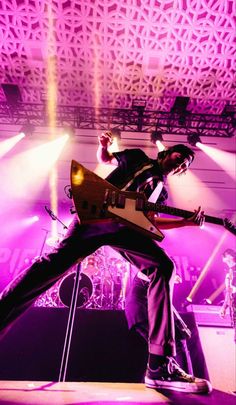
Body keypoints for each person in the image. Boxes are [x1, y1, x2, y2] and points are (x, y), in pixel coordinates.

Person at [0, 131, 212, 393]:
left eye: (186, 164)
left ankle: (159, 365)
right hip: (95, 216)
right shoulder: (137, 158)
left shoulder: (161, 192)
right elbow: (107, 158)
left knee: (163, 266)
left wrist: (186, 221)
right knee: (48, 268)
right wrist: (104, 146)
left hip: (123, 229)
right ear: (167, 152)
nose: (182, 164)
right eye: (182, 156)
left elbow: (152, 221)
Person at [219, 248, 236, 342]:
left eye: (226, 258)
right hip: (234, 307)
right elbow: (228, 291)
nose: (225, 261)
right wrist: (224, 307)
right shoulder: (229, 272)